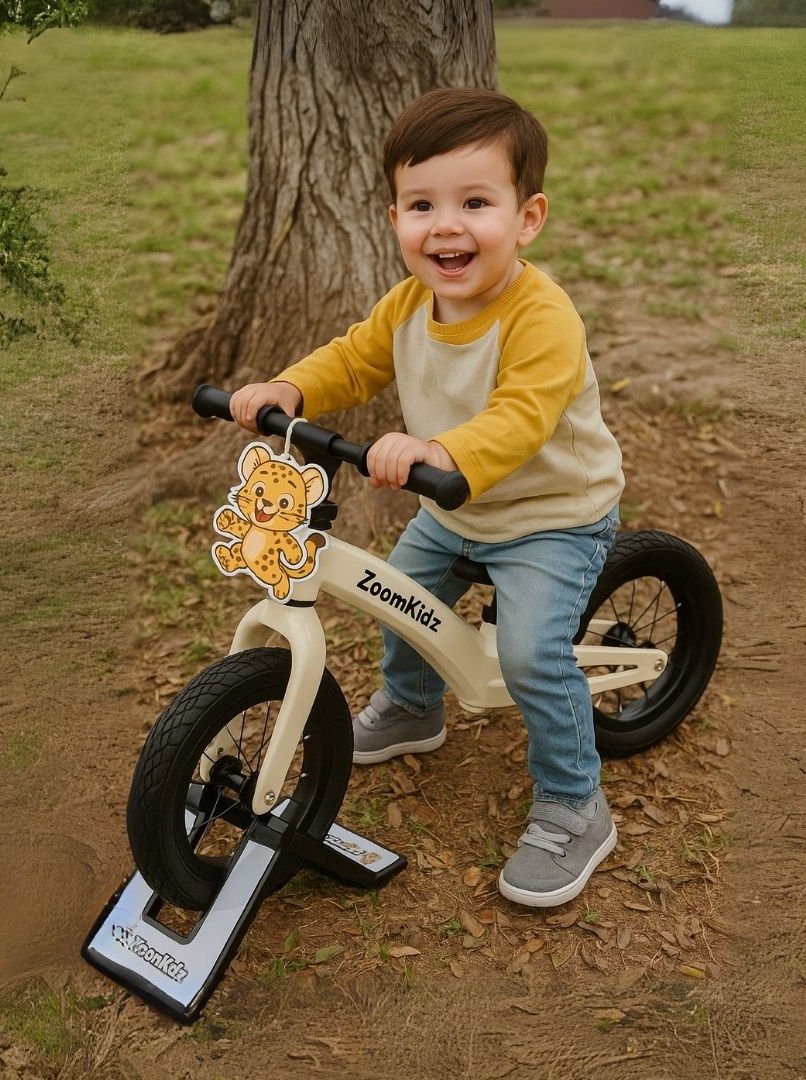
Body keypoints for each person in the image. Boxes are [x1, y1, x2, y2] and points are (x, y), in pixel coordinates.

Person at [230, 87, 625, 908]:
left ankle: (574, 803)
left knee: (528, 657)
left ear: (528, 218)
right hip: (457, 509)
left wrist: (439, 449)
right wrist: (288, 388)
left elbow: (521, 417)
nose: (445, 225)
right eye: (422, 205)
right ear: (395, 219)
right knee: (397, 600)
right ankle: (413, 707)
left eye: (474, 202)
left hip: (553, 517)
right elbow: (352, 360)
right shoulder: (410, 305)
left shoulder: (541, 316)